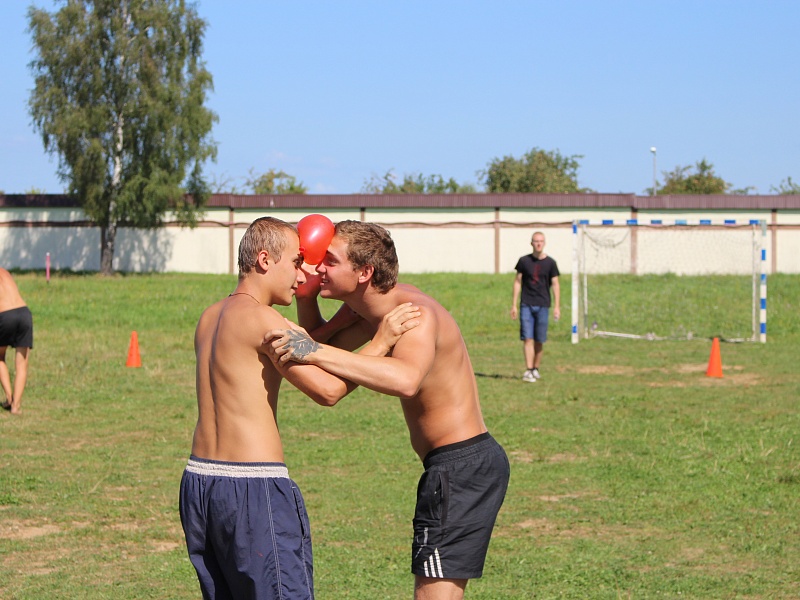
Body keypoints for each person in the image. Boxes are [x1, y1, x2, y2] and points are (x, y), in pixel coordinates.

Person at [266, 220, 510, 600]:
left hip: (461, 468)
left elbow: (405, 379)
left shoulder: (413, 315)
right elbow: (319, 342)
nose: (316, 269)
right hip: (451, 466)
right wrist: (305, 298)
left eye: (328, 261)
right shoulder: (369, 311)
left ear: (364, 273)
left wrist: (316, 350)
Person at [179, 216, 413, 600]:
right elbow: (328, 391)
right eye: (296, 261)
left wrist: (332, 327)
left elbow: (296, 343)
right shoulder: (266, 321)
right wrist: (381, 341)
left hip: (200, 484)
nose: (303, 276)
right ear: (266, 260)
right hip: (252, 489)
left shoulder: (211, 317)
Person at [511, 231, 560, 383]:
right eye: (535, 241)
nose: (538, 243)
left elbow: (555, 284)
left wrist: (557, 306)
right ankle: (528, 369)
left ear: (544, 243)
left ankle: (535, 368)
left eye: (541, 241)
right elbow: (518, 281)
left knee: (539, 340)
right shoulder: (524, 261)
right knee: (527, 338)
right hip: (526, 303)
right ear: (531, 243)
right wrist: (514, 304)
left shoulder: (551, 263)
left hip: (543, 305)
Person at [0, 268, 33, 415]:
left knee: (0, 357)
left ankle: (9, 397)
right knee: (22, 364)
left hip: (5, 315)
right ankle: (16, 406)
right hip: (24, 313)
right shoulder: (4, 272)